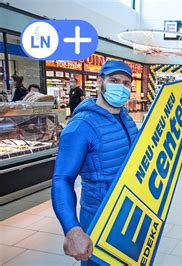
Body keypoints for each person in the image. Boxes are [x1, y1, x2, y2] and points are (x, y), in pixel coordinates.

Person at [51, 60, 138, 264]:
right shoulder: (81, 127)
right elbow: (62, 180)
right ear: (100, 82)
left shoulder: (127, 118)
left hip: (130, 212)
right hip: (100, 216)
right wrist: (72, 229)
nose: (121, 87)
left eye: (126, 83)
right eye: (114, 80)